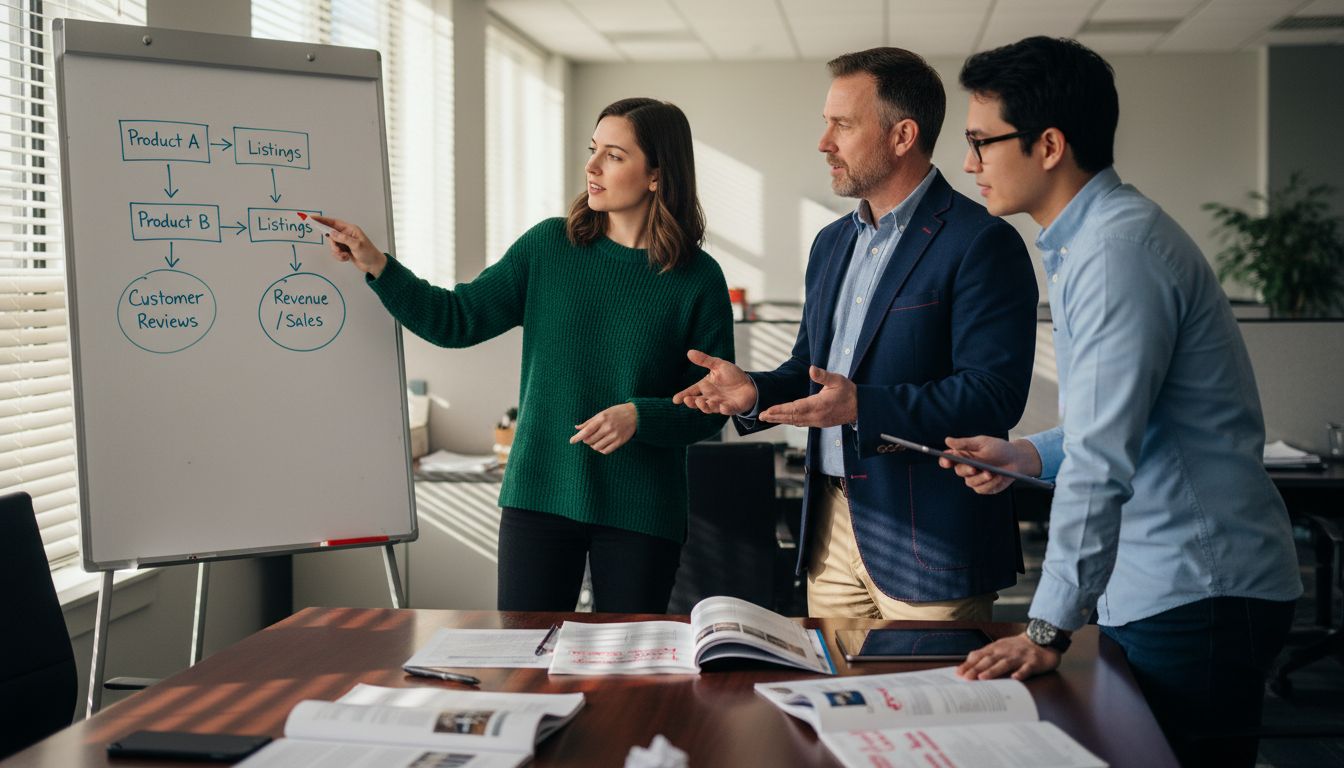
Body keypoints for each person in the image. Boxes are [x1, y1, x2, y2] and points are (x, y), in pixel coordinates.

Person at [947, 37, 1301, 767]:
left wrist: (1046, 628)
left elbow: (1104, 457)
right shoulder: (1092, 244)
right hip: (1166, 584)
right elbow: (1113, 422)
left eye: (982, 141)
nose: (970, 163)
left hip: (1196, 586)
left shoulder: (1115, 253)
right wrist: (1028, 454)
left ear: (1048, 145)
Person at [316, 98, 733, 614]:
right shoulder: (549, 248)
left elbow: (712, 407)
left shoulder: (698, 280)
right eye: (592, 150)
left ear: (655, 175)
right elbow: (456, 319)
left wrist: (639, 416)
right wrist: (377, 264)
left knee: (626, 670)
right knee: (524, 662)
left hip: (641, 508)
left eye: (615, 155)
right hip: (539, 495)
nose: (593, 166)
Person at [673, 48, 1038, 621]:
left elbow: (995, 393)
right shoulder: (831, 244)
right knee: (836, 703)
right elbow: (810, 371)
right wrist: (754, 394)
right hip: (829, 533)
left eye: (842, 124)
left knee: (928, 707)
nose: (824, 142)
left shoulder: (980, 240)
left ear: (902, 135)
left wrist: (862, 406)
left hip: (929, 542)